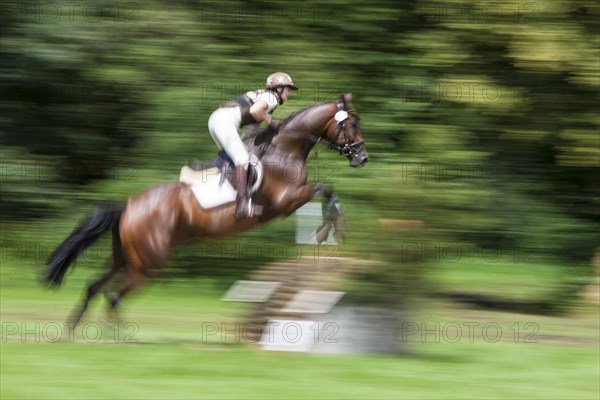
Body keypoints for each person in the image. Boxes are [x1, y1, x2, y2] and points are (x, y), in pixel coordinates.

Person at [207, 72, 298, 219]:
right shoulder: (271, 98)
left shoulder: (263, 97)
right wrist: (271, 122)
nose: (289, 93)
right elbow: (254, 110)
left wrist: (268, 126)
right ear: (279, 88)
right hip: (223, 121)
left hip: (217, 120)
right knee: (241, 158)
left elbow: (253, 130)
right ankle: (242, 204)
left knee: (233, 159)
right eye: (288, 89)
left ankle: (219, 190)